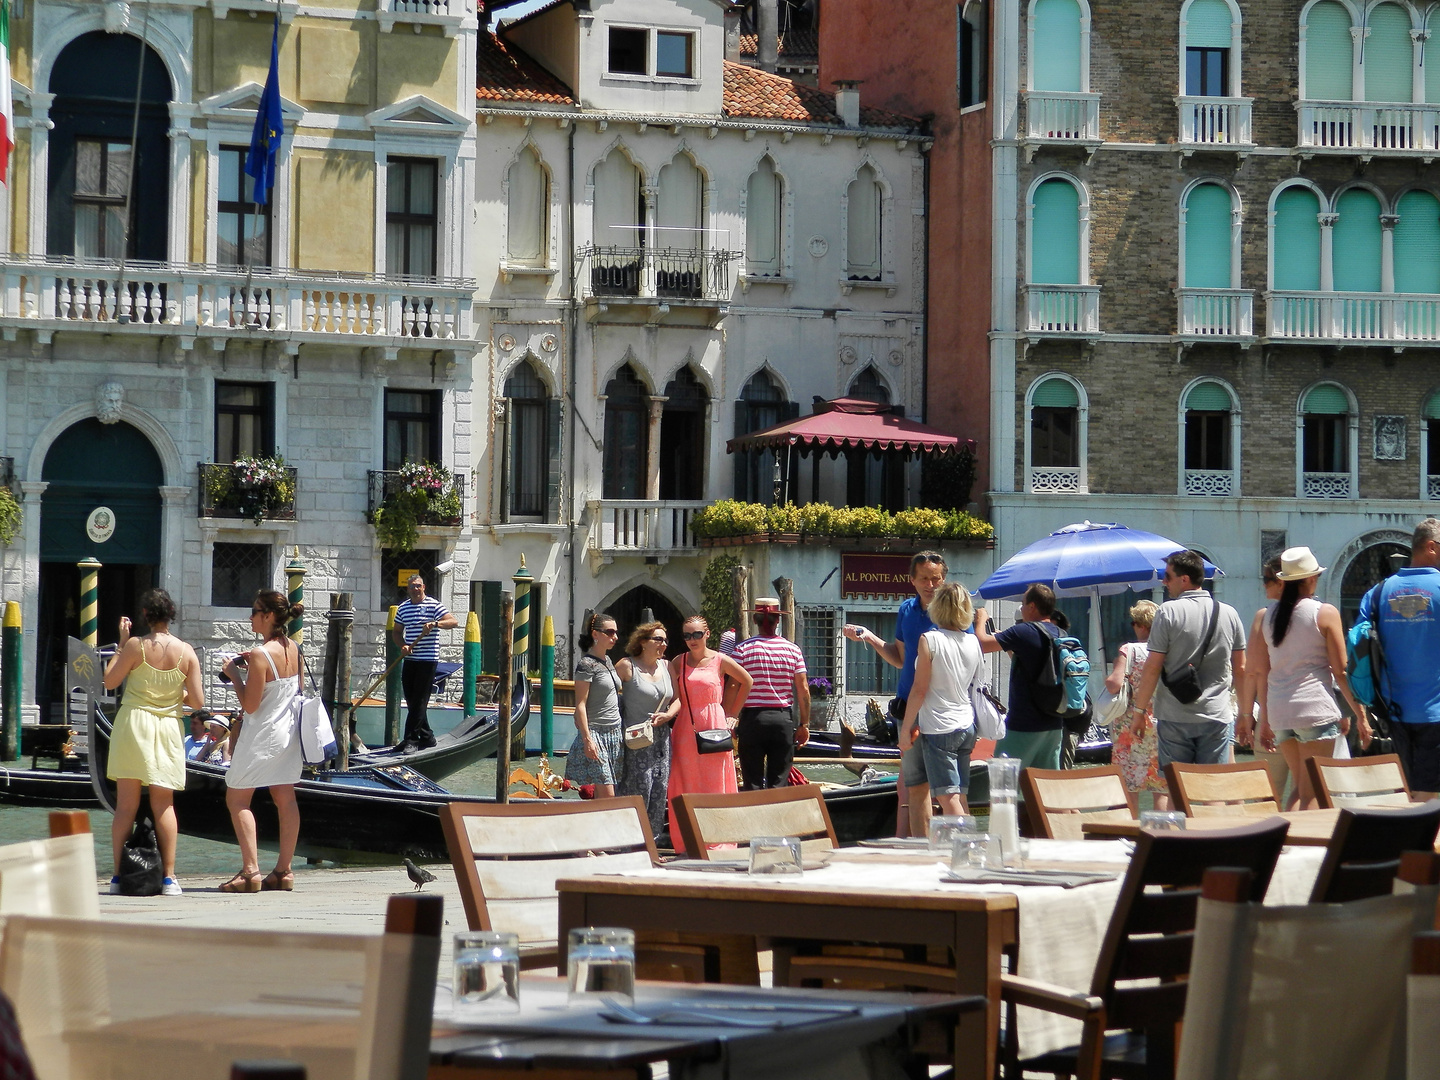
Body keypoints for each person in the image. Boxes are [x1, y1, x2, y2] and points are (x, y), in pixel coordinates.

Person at [1247, 547, 1368, 810]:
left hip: (1280, 711)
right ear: (1311, 579)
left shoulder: (1267, 616)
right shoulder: (1324, 612)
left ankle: (1288, 843)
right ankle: (1303, 845)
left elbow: (1260, 670)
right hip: (1314, 707)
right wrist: (1361, 714)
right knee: (1313, 790)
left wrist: (1265, 717)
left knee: (1302, 788)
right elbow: (1341, 671)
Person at [103, 588, 204, 897]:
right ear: (170, 615)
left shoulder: (135, 646)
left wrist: (121, 644)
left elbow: (109, 681)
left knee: (126, 806)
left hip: (134, 724)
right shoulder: (187, 652)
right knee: (164, 805)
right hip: (168, 727)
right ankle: (170, 878)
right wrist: (174, 696)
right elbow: (198, 701)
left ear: (146, 615)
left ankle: (119, 876)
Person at [843, 551, 948, 834]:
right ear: (912, 580)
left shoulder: (953, 613)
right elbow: (900, 657)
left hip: (941, 706)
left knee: (944, 788)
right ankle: (912, 845)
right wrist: (869, 636)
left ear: (944, 579)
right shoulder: (906, 610)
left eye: (936, 579)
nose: (930, 585)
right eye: (924, 579)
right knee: (912, 784)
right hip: (908, 707)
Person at [220, 589, 305, 893]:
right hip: (289, 734)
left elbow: (251, 705)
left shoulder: (259, 654)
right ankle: (284, 871)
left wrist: (234, 675)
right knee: (286, 797)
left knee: (237, 798)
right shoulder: (294, 648)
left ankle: (250, 871)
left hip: (263, 733)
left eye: (256, 611)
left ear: (269, 615)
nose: (251, 616)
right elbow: (295, 689)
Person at [1131, 550, 1248, 768]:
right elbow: (1241, 668)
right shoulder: (1229, 613)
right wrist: (1245, 713)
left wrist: (1138, 712)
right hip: (1217, 714)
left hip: (1175, 715)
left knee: (1178, 787)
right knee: (1213, 787)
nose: (1164, 582)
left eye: (1168, 576)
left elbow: (1153, 667)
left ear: (1184, 579)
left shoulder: (1167, 612)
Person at [1360, 517, 1440, 791]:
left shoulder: (1377, 593)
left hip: (1392, 713)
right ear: (1431, 547)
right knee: (1430, 797)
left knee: (1406, 792)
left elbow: (1358, 648)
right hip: (1436, 714)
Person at [667, 615, 753, 852]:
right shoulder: (678, 662)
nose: (692, 640)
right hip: (686, 725)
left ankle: (718, 839)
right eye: (686, 635)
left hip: (715, 724)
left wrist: (732, 714)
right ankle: (689, 840)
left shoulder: (720, 660)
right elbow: (664, 686)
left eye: (696, 634)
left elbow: (747, 681)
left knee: (716, 782)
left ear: (707, 634)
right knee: (686, 782)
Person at [899, 583, 982, 823]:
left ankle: (968, 849)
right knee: (960, 794)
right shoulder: (972, 642)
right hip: (966, 723)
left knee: (947, 798)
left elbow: (919, 689)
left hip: (939, 726)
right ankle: (965, 847)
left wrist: (905, 730)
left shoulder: (930, 640)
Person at [974, 583, 1066, 771]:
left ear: (1032, 606)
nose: (1022, 608)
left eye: (1023, 604)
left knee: (1002, 779)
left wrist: (981, 620)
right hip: (1054, 724)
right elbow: (1035, 665)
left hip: (1023, 724)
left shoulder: (1024, 631)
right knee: (1045, 786)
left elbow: (981, 644)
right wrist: (1010, 645)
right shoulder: (1060, 633)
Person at [732, 598, 810, 790]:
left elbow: (732, 687)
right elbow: (803, 689)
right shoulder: (793, 650)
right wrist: (804, 724)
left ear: (755, 621)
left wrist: (730, 717)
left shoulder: (742, 649)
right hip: (781, 720)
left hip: (752, 720)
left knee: (752, 783)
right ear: (778, 621)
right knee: (779, 783)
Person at [1104, 600, 1168, 807]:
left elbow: (1114, 684)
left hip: (1130, 724)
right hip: (1161, 722)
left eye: (1134, 622)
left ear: (1141, 625)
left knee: (1128, 784)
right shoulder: (1166, 649)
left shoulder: (1129, 650)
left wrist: (1114, 669)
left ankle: (1128, 833)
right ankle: (1164, 834)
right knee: (1161, 787)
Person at [616, 621, 675, 839]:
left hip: (662, 738)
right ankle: (627, 842)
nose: (664, 644)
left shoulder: (667, 666)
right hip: (636, 739)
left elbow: (677, 700)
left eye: (665, 640)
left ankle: (651, 843)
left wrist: (669, 715)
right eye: (658, 639)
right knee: (639, 788)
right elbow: (607, 695)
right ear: (643, 642)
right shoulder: (626, 666)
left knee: (659, 790)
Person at [391, 574, 458, 752]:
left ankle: (411, 740)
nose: (415, 589)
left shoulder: (433, 605)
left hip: (428, 660)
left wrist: (435, 624)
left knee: (420, 700)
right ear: (408, 589)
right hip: (411, 659)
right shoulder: (403, 608)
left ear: (424, 587)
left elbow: (453, 621)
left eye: (418, 586)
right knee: (412, 701)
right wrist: (403, 645)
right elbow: (397, 632)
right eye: (412, 586)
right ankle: (427, 737)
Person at [565, 612, 626, 798]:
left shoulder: (607, 661)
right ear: (595, 634)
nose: (614, 636)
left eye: (615, 632)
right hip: (596, 734)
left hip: (613, 732)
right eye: (609, 632)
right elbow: (580, 705)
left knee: (603, 794)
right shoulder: (586, 664)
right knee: (608, 795)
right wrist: (587, 740)